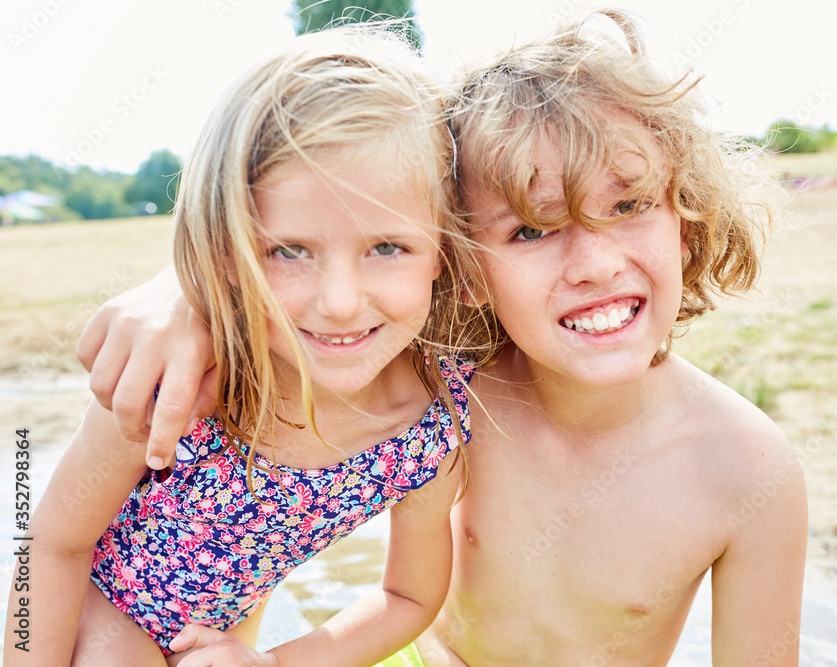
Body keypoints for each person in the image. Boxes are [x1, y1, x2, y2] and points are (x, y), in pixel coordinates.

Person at [73, 9, 807, 665]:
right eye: (531, 228)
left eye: (630, 204)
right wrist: (181, 295)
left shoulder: (748, 471)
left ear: (691, 215)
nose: (596, 264)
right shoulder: (445, 384)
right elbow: (314, 261)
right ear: (463, 262)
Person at [5, 28, 482, 667]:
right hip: (89, 613)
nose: (339, 301)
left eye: (387, 247)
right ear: (229, 254)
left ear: (444, 251)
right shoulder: (186, 378)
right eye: (289, 251)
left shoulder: (432, 429)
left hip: (220, 642)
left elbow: (407, 597)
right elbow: (53, 544)